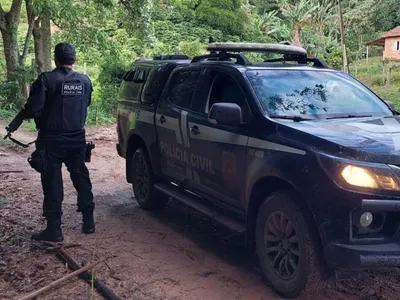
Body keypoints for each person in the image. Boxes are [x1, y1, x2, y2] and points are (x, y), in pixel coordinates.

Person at [22, 42, 95, 242]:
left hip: (51, 140)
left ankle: (54, 230)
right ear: (74, 60)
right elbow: (86, 103)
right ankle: (89, 222)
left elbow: (33, 109)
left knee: (52, 182)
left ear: (56, 59)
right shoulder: (85, 81)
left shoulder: (46, 79)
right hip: (77, 139)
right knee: (81, 176)